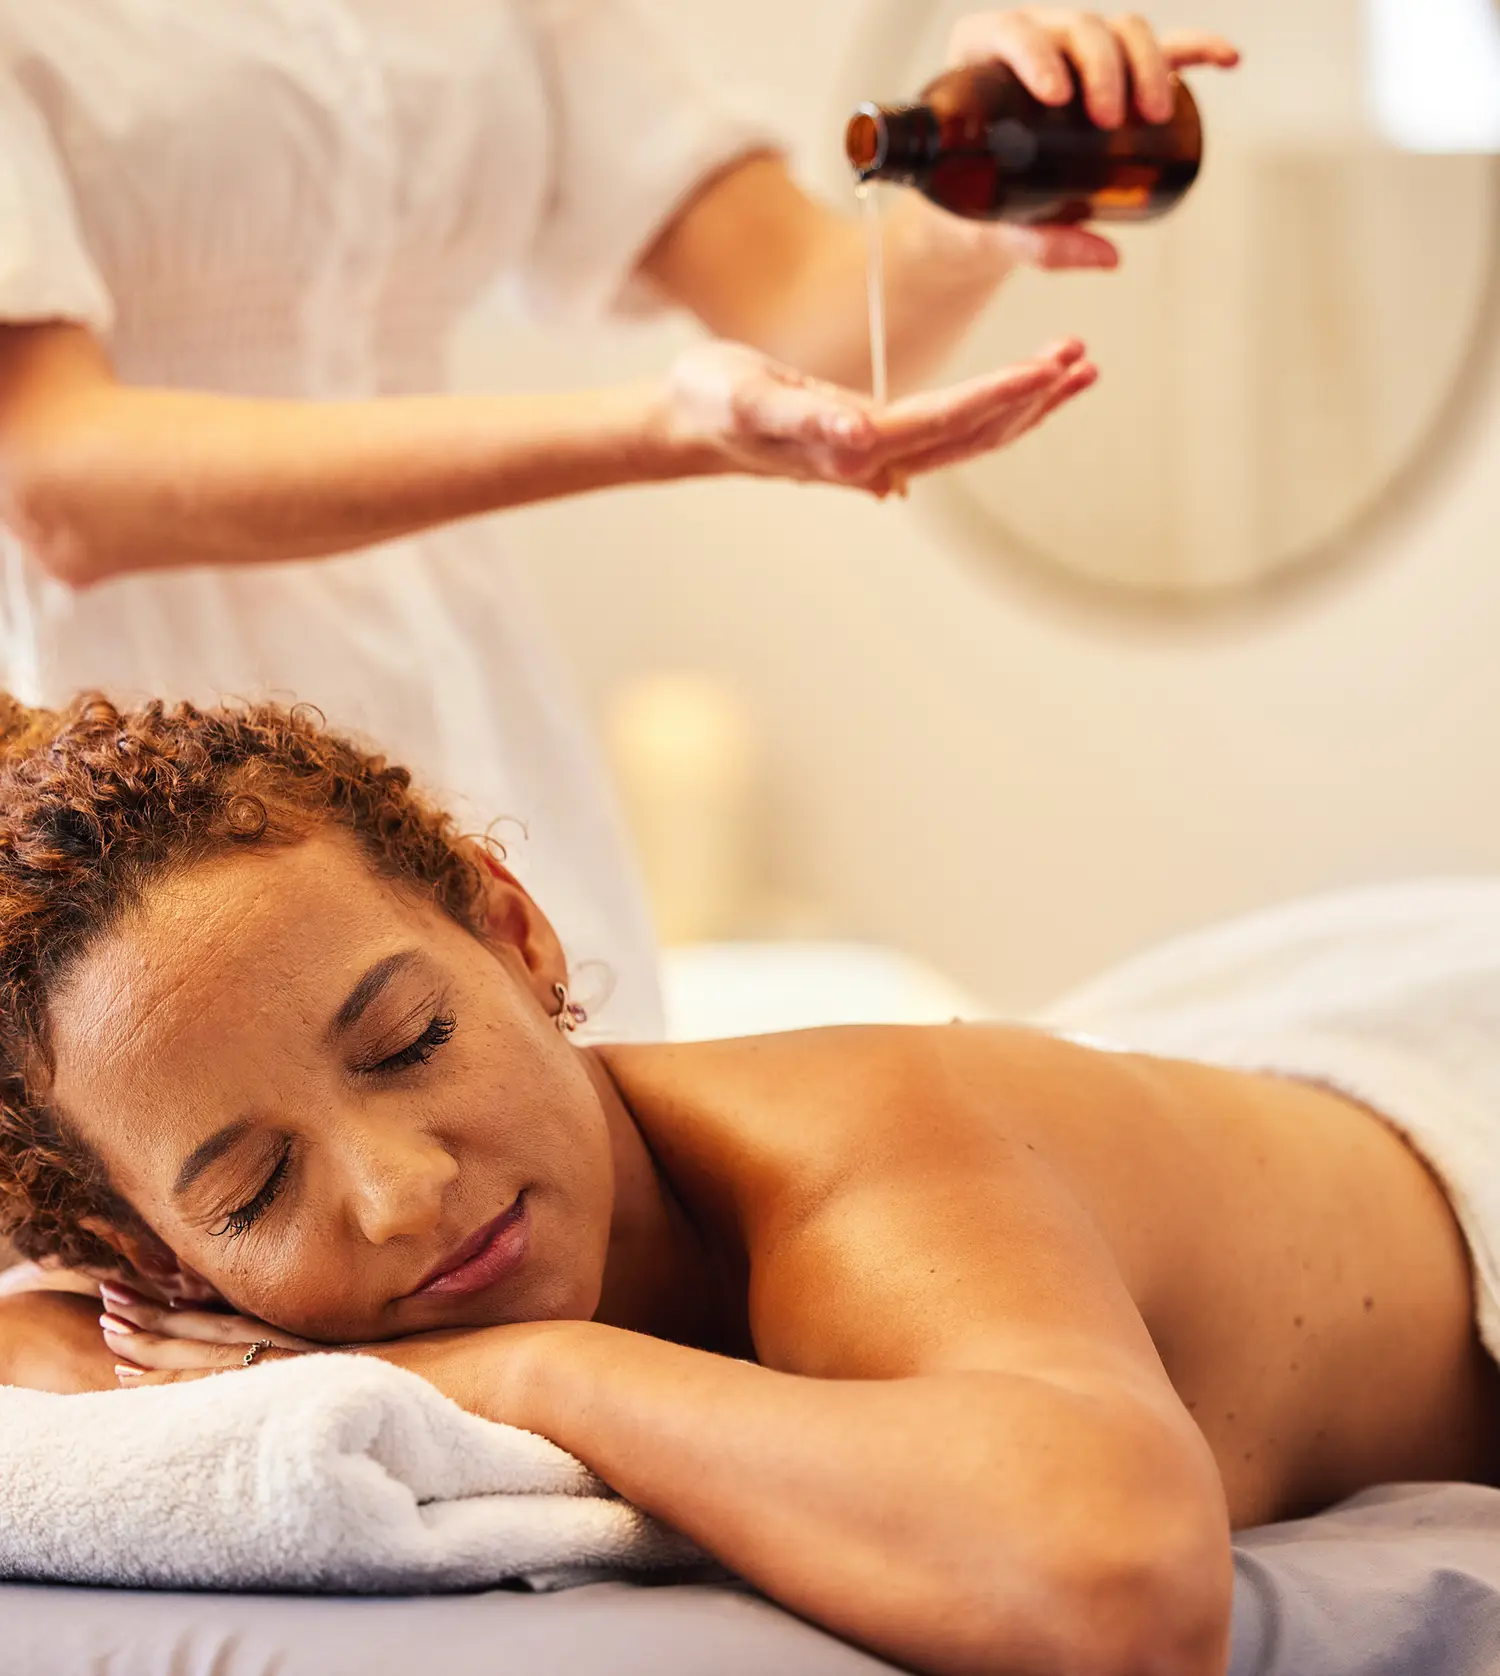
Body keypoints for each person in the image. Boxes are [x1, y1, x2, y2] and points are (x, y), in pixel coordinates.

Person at [0, 693, 1496, 1676]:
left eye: (411, 1042)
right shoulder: (156, 1294)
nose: (400, 1195)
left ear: (515, 936)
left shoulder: (855, 1149)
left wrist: (538, 1367)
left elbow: (1119, 1588)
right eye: (256, 1191)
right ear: (153, 1252)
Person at [0, 4, 1237, 1042]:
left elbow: (805, 313)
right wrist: (656, 432)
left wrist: (964, 201)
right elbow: (62, 481)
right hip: (117, 737)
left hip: (464, 694)